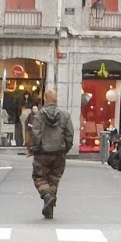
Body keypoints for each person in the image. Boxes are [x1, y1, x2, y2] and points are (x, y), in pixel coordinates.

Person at [27, 88, 75, 218]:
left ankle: (47, 196)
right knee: (54, 179)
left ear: (44, 98)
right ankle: (49, 208)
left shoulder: (38, 116)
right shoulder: (65, 115)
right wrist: (65, 149)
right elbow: (69, 135)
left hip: (42, 152)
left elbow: (36, 134)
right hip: (59, 152)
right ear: (56, 99)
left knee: (39, 177)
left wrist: (35, 149)